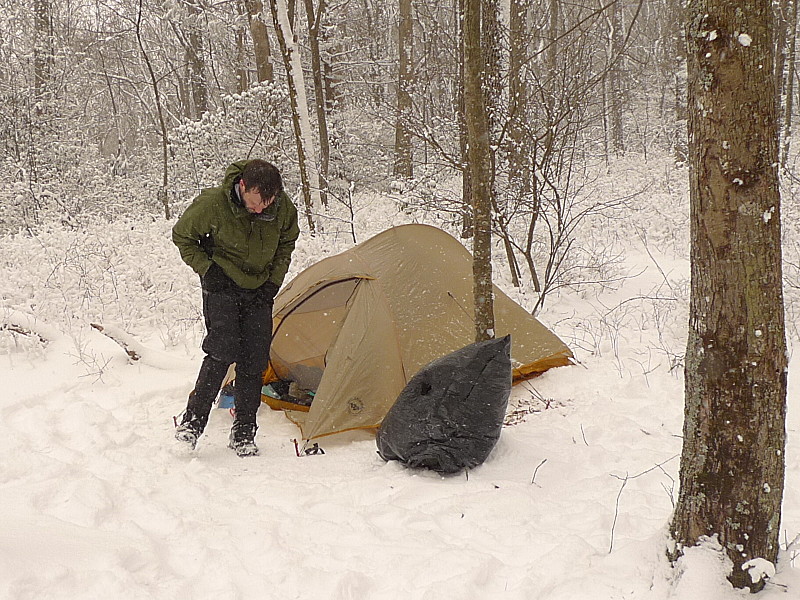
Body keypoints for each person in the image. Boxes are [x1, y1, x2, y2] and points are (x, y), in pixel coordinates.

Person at [172, 159, 300, 456]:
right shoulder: (213, 204)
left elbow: (287, 243)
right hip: (222, 285)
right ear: (243, 186)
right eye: (255, 203)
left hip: (259, 289)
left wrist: (273, 281)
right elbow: (182, 236)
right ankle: (192, 423)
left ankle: (244, 430)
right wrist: (208, 270)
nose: (260, 210)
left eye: (267, 204)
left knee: (254, 360)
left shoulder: (282, 209)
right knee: (221, 352)